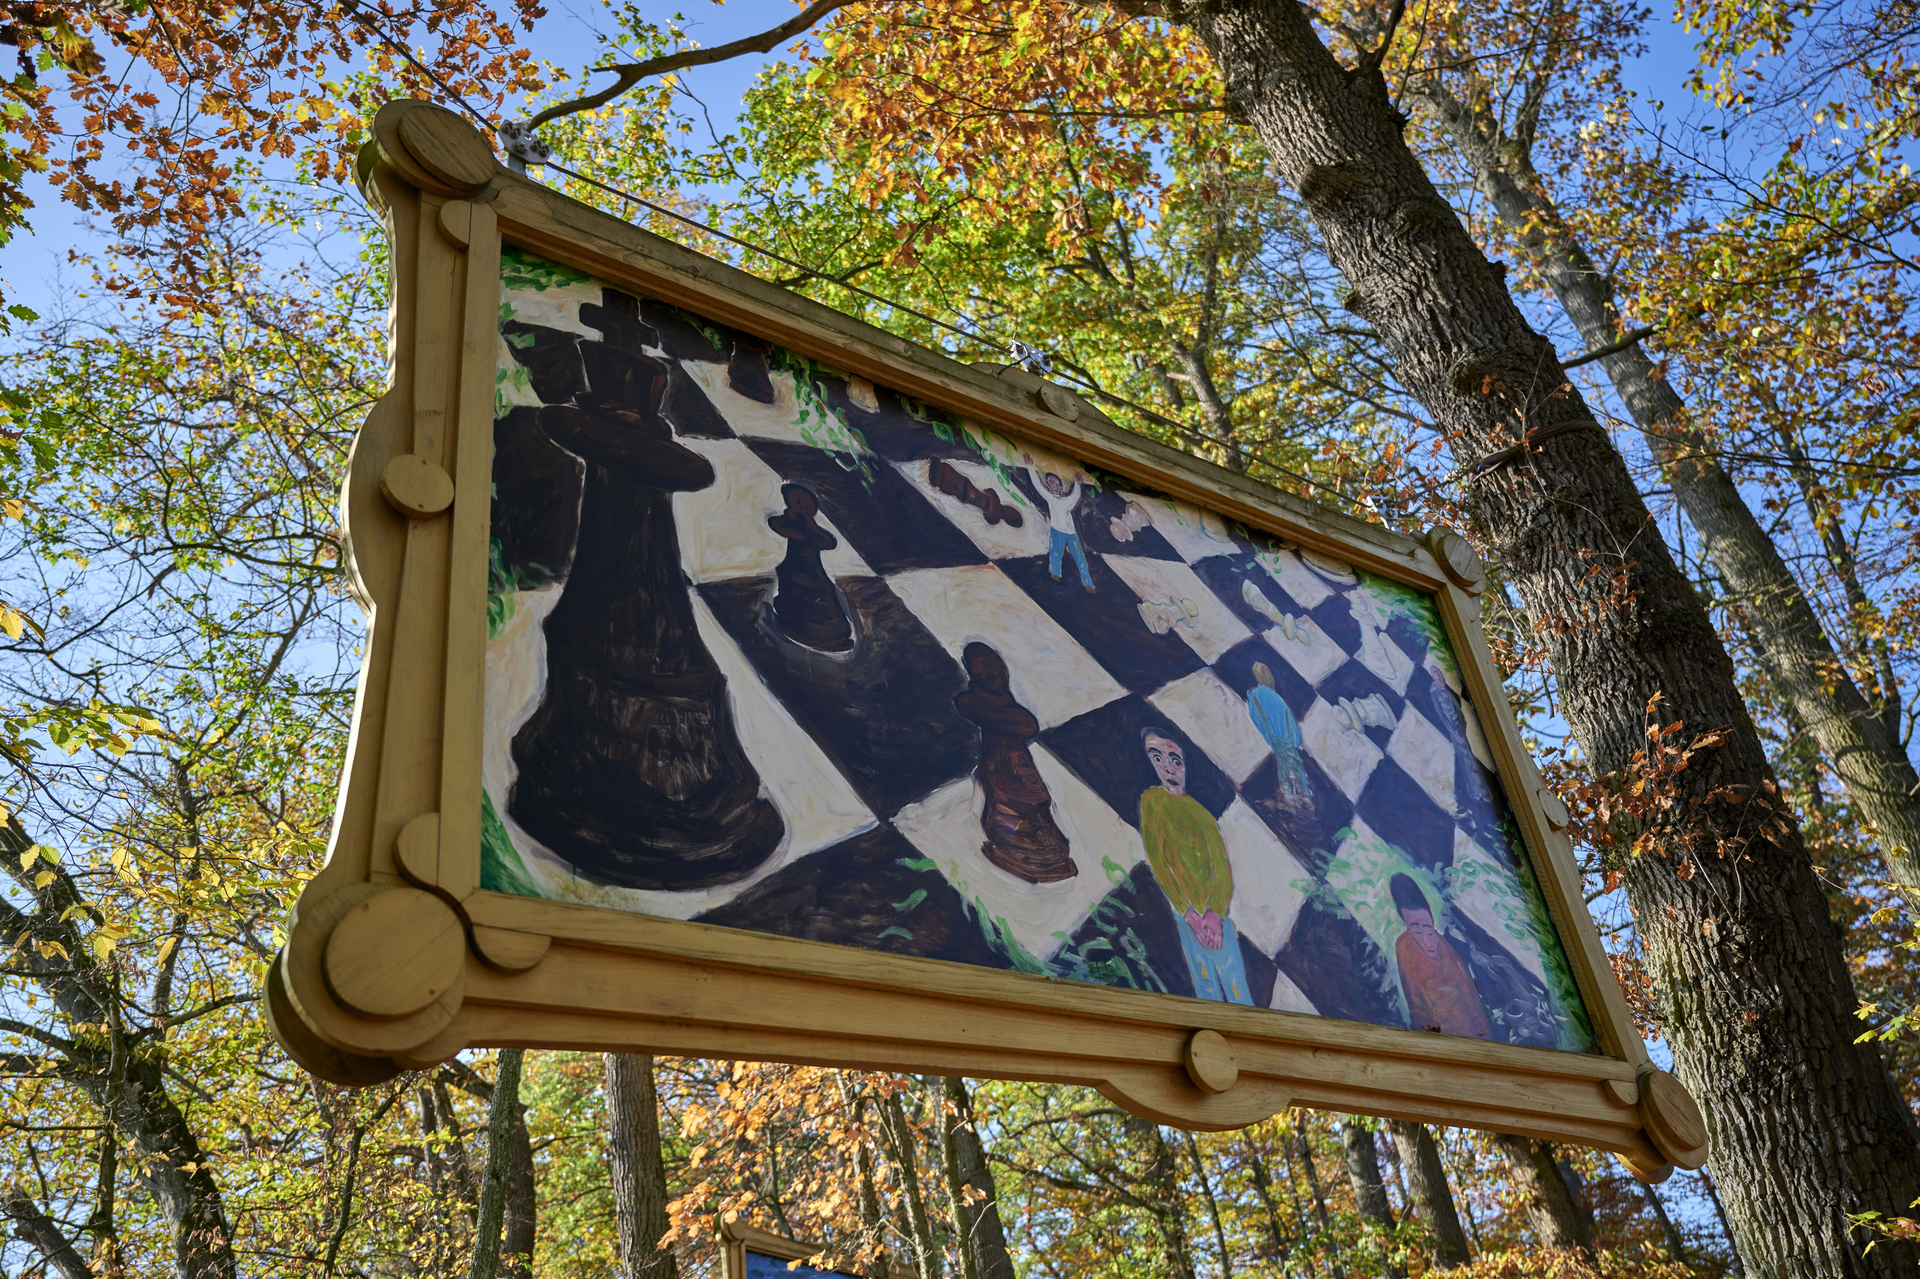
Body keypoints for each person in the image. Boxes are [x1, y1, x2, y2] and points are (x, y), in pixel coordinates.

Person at [1137, 728, 1252, 1004]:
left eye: (1176, 760)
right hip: (1186, 915)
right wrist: (1190, 914)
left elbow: (1222, 867)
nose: (1169, 768)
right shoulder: (1152, 801)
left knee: (1236, 985)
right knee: (1206, 988)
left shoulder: (1203, 814)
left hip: (1218, 916)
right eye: (1157, 757)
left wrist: (1216, 913)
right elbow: (1159, 862)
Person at [1389, 873, 1492, 1038]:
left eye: (1428, 929)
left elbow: (1472, 999)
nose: (1427, 942)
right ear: (1407, 926)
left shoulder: (1445, 946)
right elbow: (1416, 1007)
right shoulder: (1404, 948)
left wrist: (1485, 1037)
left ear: (1432, 921)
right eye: (1416, 930)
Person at [1024, 452, 1093, 591]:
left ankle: (1088, 583)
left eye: (1056, 483)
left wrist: (1078, 483)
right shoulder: (1050, 498)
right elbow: (1038, 486)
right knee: (1055, 554)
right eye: (1051, 483)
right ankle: (1055, 575)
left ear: (1060, 486)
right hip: (1056, 531)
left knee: (1079, 557)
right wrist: (1030, 467)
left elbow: (1075, 496)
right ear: (1049, 486)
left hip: (1070, 533)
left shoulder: (1067, 501)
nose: (1054, 486)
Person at [1246, 662, 1311, 798]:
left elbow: (1256, 720)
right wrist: (1296, 740)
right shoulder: (1276, 697)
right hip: (1287, 738)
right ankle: (1304, 790)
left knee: (1282, 764)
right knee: (1296, 764)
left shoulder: (1253, 696)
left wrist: (1267, 738)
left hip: (1274, 739)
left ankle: (1288, 791)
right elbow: (1289, 718)